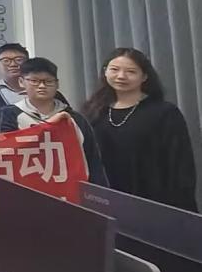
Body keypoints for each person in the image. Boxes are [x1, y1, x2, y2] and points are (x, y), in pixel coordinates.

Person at [83, 47, 197, 211]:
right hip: (106, 202)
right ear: (105, 72)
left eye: (131, 71)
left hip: (153, 204)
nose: (121, 76)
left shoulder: (165, 113)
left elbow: (181, 167)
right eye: (114, 69)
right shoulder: (93, 112)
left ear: (144, 76)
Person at [0, 57, 107, 185]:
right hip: (27, 186)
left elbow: (92, 159)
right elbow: (7, 151)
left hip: (68, 186)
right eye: (34, 81)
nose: (42, 86)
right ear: (21, 82)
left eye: (48, 81)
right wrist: (49, 125)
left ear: (57, 84)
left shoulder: (75, 118)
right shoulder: (10, 114)